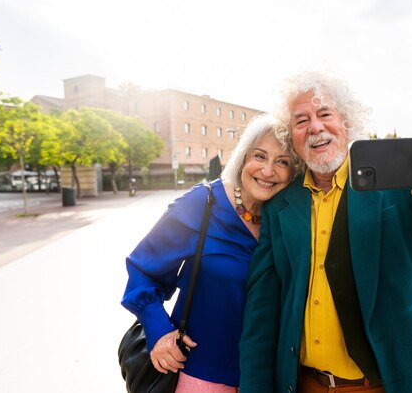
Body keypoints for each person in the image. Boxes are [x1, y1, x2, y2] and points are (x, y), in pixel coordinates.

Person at [239, 71, 412, 393]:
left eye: (325, 114)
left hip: (389, 382)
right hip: (305, 384)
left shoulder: (395, 181)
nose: (315, 126)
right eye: (301, 120)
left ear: (346, 123)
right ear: (292, 136)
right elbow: (262, 313)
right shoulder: (280, 206)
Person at [121, 114, 298, 392]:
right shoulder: (203, 203)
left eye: (283, 161)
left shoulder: (287, 219)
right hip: (200, 374)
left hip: (266, 378)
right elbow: (143, 269)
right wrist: (159, 332)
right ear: (243, 157)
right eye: (260, 156)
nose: (268, 171)